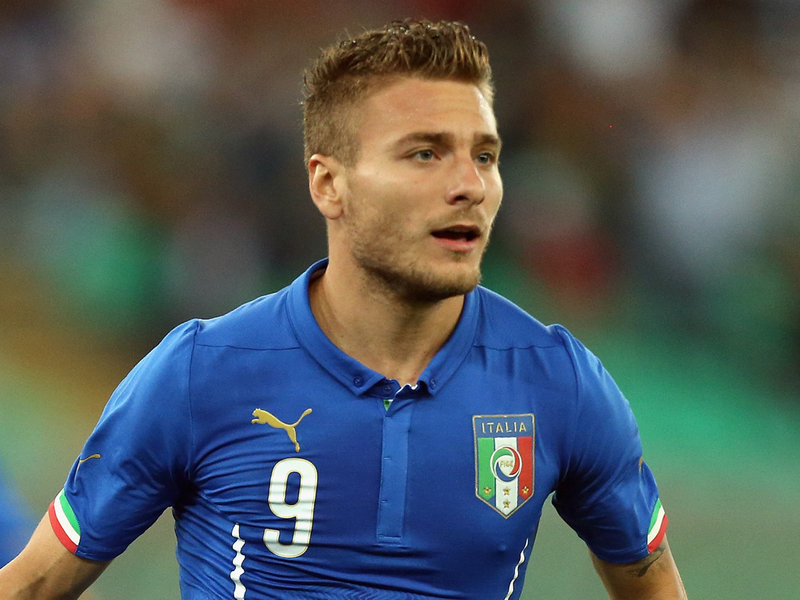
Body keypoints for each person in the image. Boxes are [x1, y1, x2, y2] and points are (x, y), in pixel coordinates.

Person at [0, 19, 687, 599]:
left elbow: (651, 580)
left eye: (485, 155)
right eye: (425, 153)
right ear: (329, 184)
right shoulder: (201, 372)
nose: (469, 186)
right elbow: (32, 586)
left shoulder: (557, 380)